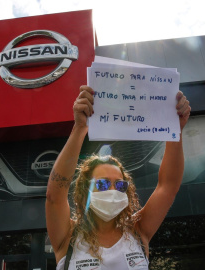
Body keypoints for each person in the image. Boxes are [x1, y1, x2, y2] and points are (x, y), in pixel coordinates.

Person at [46, 85, 191, 270]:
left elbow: (168, 186)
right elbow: (55, 196)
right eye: (104, 183)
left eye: (120, 185)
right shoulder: (68, 237)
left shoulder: (138, 232)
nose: (113, 190)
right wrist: (80, 127)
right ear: (85, 190)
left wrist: (175, 130)